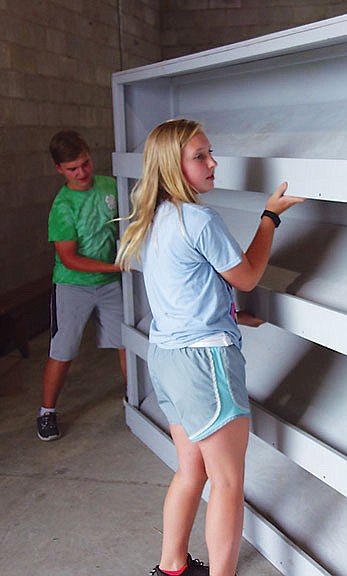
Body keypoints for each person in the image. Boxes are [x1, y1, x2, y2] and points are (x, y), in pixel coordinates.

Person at [116, 119, 303, 576]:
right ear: (173, 166)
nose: (212, 162)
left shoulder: (152, 220)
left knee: (191, 471)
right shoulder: (198, 218)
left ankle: (172, 567)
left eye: (209, 152)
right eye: (200, 156)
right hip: (205, 362)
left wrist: (233, 315)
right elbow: (248, 275)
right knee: (226, 481)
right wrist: (269, 217)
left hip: (167, 358)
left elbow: (181, 293)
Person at [37, 130, 126, 441]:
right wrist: (116, 266)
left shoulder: (109, 186)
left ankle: (135, 399)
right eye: (73, 168)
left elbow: (127, 221)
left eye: (85, 163)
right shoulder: (62, 207)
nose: (82, 172)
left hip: (111, 283)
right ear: (59, 169)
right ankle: (47, 411)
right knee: (63, 350)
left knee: (127, 341)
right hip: (73, 286)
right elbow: (70, 259)